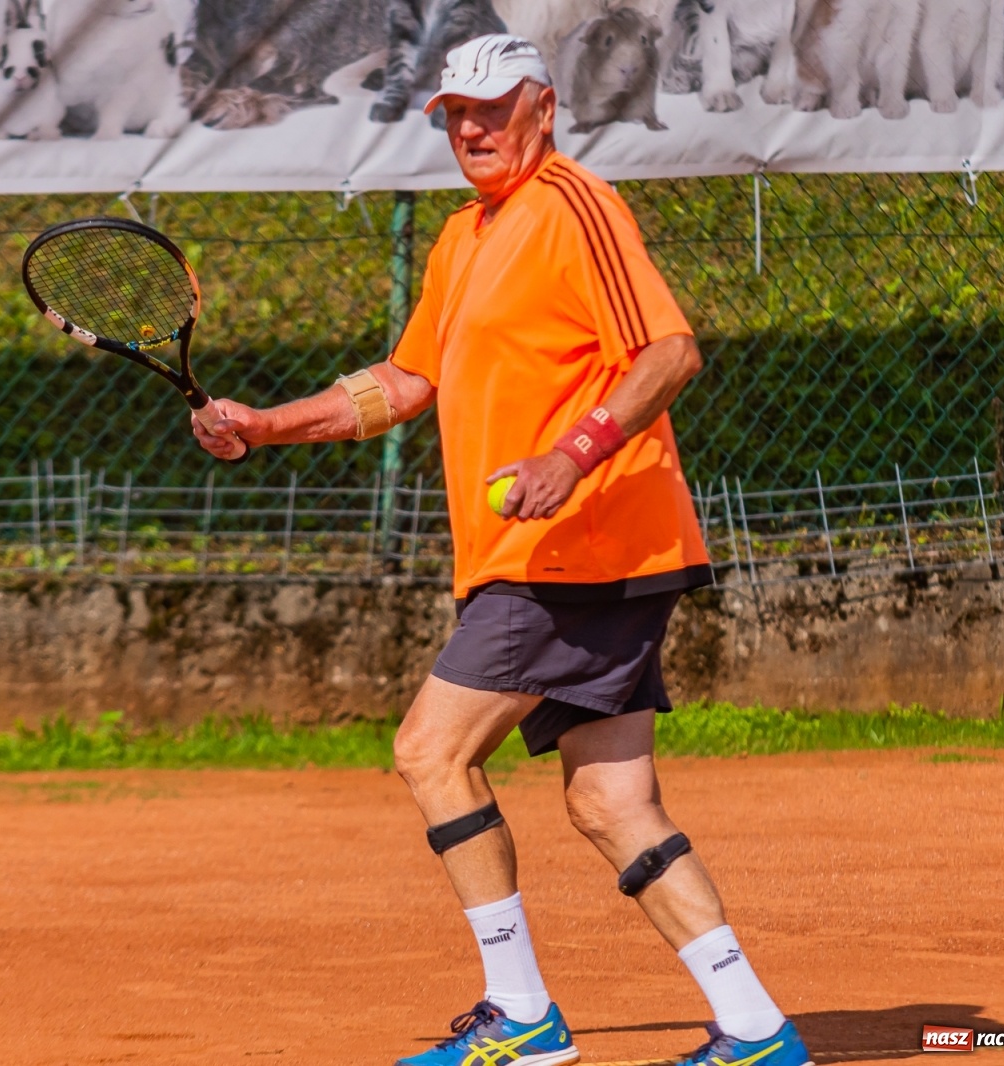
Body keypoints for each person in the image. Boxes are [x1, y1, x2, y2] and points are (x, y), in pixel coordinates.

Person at [192, 33, 812, 1066]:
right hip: (559, 555)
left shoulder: (573, 205)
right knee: (610, 802)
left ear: (544, 108)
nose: (473, 130)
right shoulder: (463, 235)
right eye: (457, 114)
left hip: (578, 545)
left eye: (493, 108)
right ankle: (755, 1030)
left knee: (431, 753)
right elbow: (404, 382)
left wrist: (572, 454)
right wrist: (266, 424)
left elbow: (669, 351)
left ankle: (520, 1015)